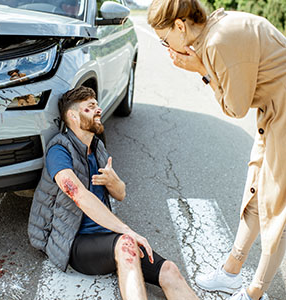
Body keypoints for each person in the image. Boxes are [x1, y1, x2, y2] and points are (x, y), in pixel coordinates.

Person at [147, 1, 286, 300]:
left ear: (180, 27)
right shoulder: (214, 30)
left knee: (276, 207)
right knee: (255, 192)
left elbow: (235, 108)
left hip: (283, 113)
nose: (166, 46)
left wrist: (201, 70)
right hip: (274, 112)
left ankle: (254, 293)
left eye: (164, 38)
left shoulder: (217, 43)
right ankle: (231, 272)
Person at [28, 86, 199, 300]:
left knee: (169, 270)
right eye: (90, 107)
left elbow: (120, 194)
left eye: (97, 105)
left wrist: (113, 181)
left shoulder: (97, 147)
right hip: (74, 242)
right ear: (72, 116)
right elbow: (78, 194)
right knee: (127, 245)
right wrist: (128, 230)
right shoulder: (59, 149)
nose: (98, 109)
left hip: (107, 237)